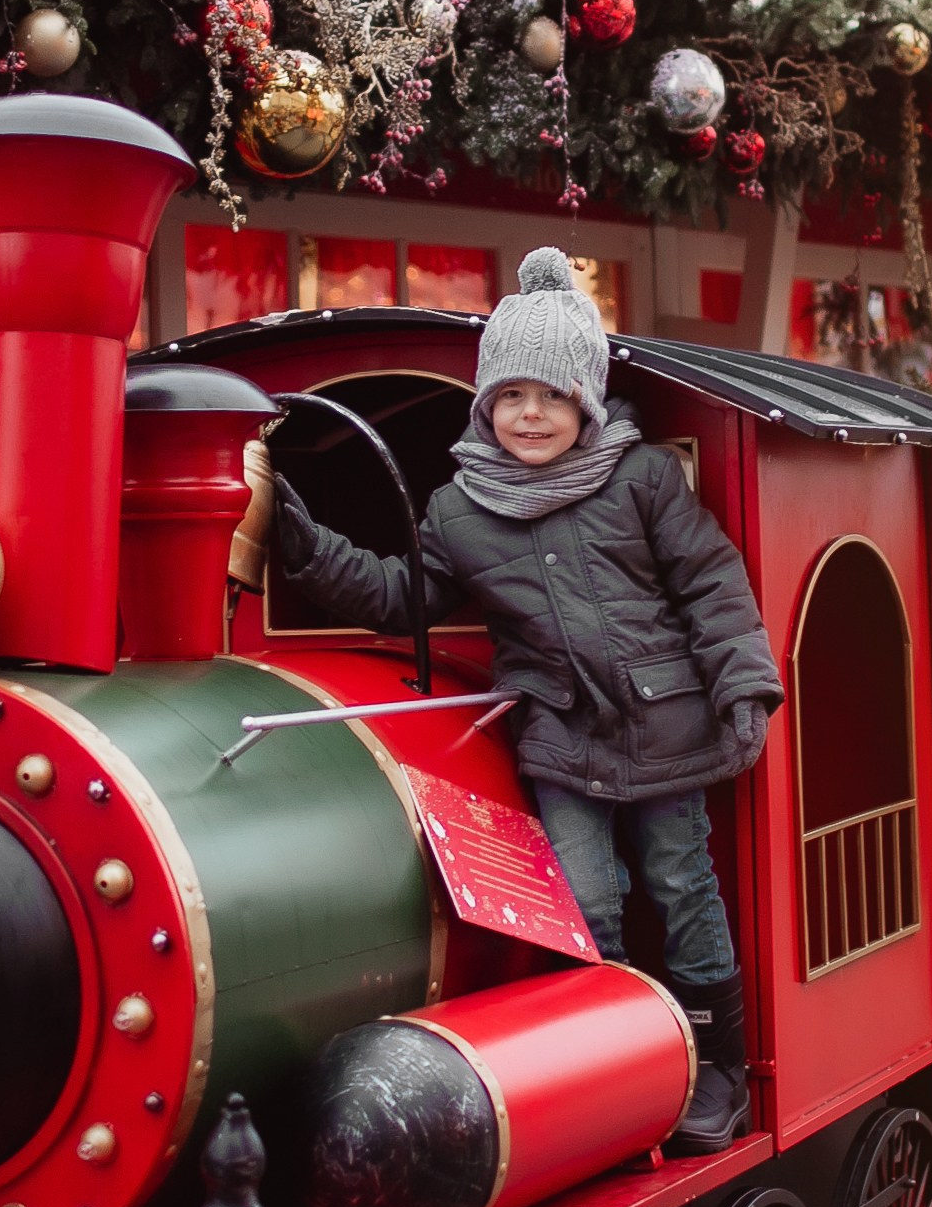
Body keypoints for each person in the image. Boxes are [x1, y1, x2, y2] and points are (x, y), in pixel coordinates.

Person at [272, 250, 782, 1153]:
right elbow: (405, 597)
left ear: (584, 400)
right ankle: (627, 1059)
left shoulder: (641, 479)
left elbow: (710, 581)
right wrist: (309, 549)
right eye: (510, 397)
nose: (530, 415)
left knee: (681, 886)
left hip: (667, 724)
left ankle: (718, 1065)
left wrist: (743, 680)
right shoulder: (460, 506)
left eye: (550, 396)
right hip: (559, 736)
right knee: (586, 903)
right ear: (484, 406)